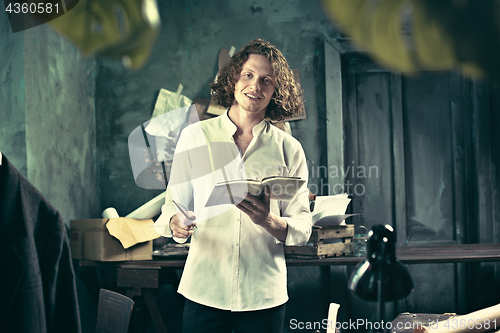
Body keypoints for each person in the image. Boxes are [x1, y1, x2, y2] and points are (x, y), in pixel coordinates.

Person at [154, 39, 312, 333]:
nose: (256, 86)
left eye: (267, 80)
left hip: (264, 296)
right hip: (204, 289)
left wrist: (268, 220)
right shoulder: (195, 137)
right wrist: (176, 223)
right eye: (248, 75)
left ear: (276, 90)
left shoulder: (289, 149)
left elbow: (303, 228)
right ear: (233, 79)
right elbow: (171, 208)